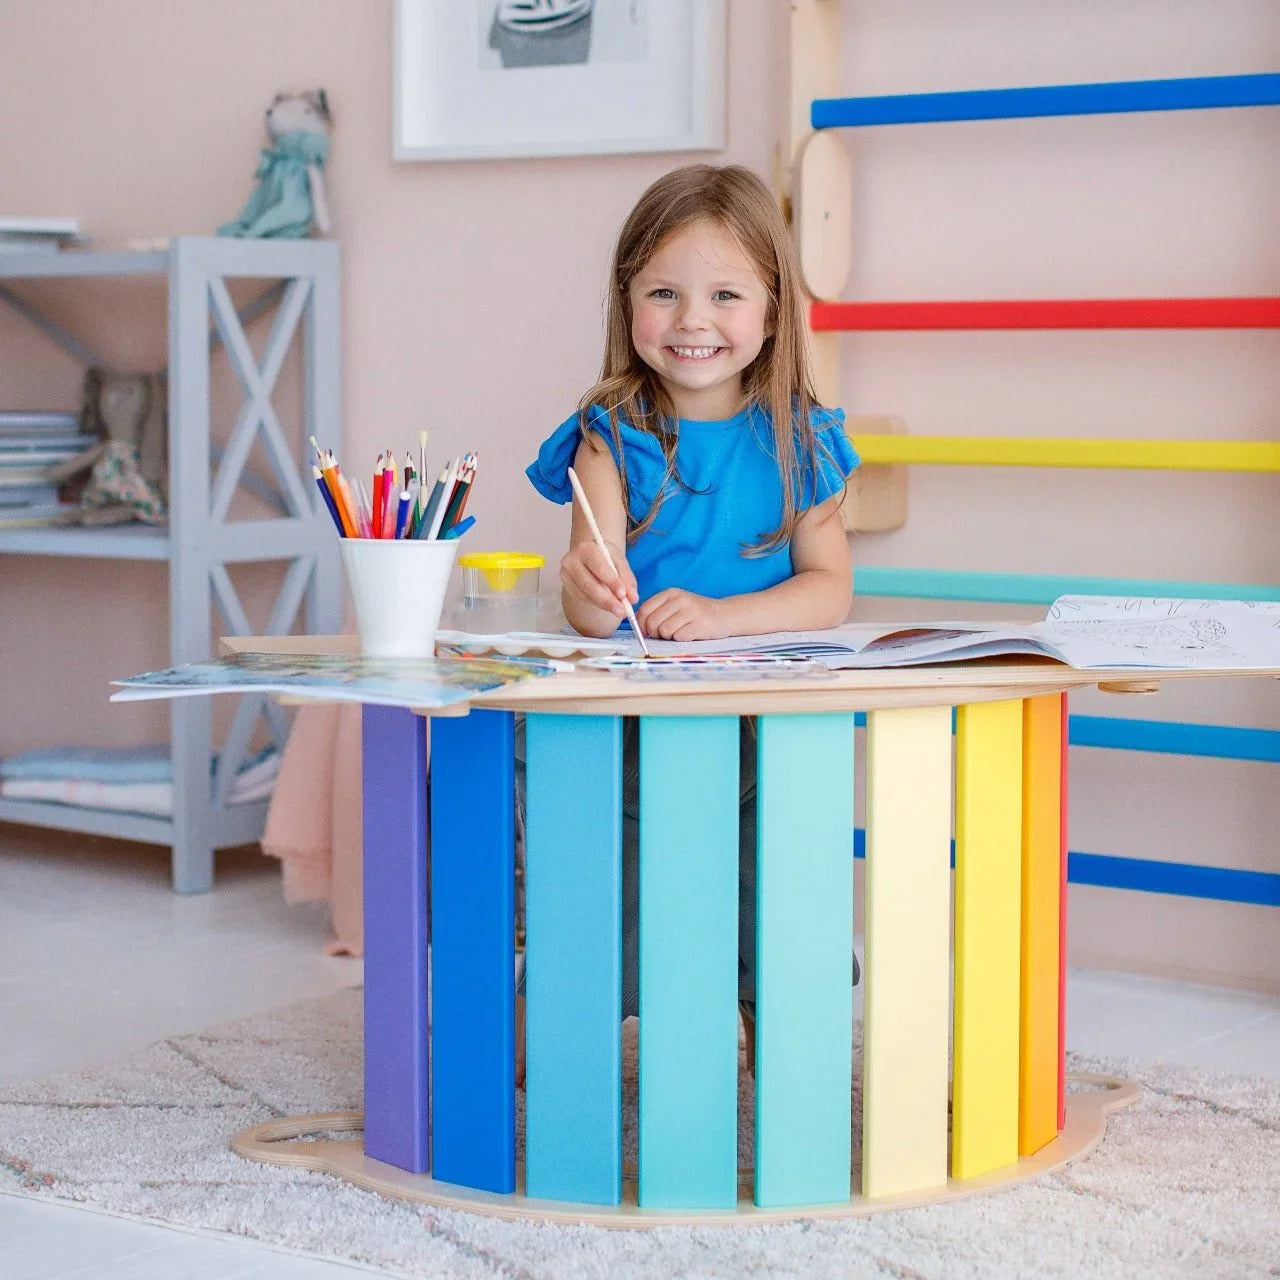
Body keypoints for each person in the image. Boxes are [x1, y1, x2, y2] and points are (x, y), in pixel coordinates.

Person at [518, 162, 860, 1082]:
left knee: (769, 873)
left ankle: (771, 1014)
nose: (691, 321)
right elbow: (588, 596)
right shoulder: (609, 432)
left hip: (763, 721)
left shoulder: (802, 437)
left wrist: (724, 617)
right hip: (636, 726)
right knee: (611, 871)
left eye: (724, 296)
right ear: (627, 300)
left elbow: (830, 587)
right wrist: (591, 592)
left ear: (773, 313)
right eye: (663, 293)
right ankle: (562, 1010)